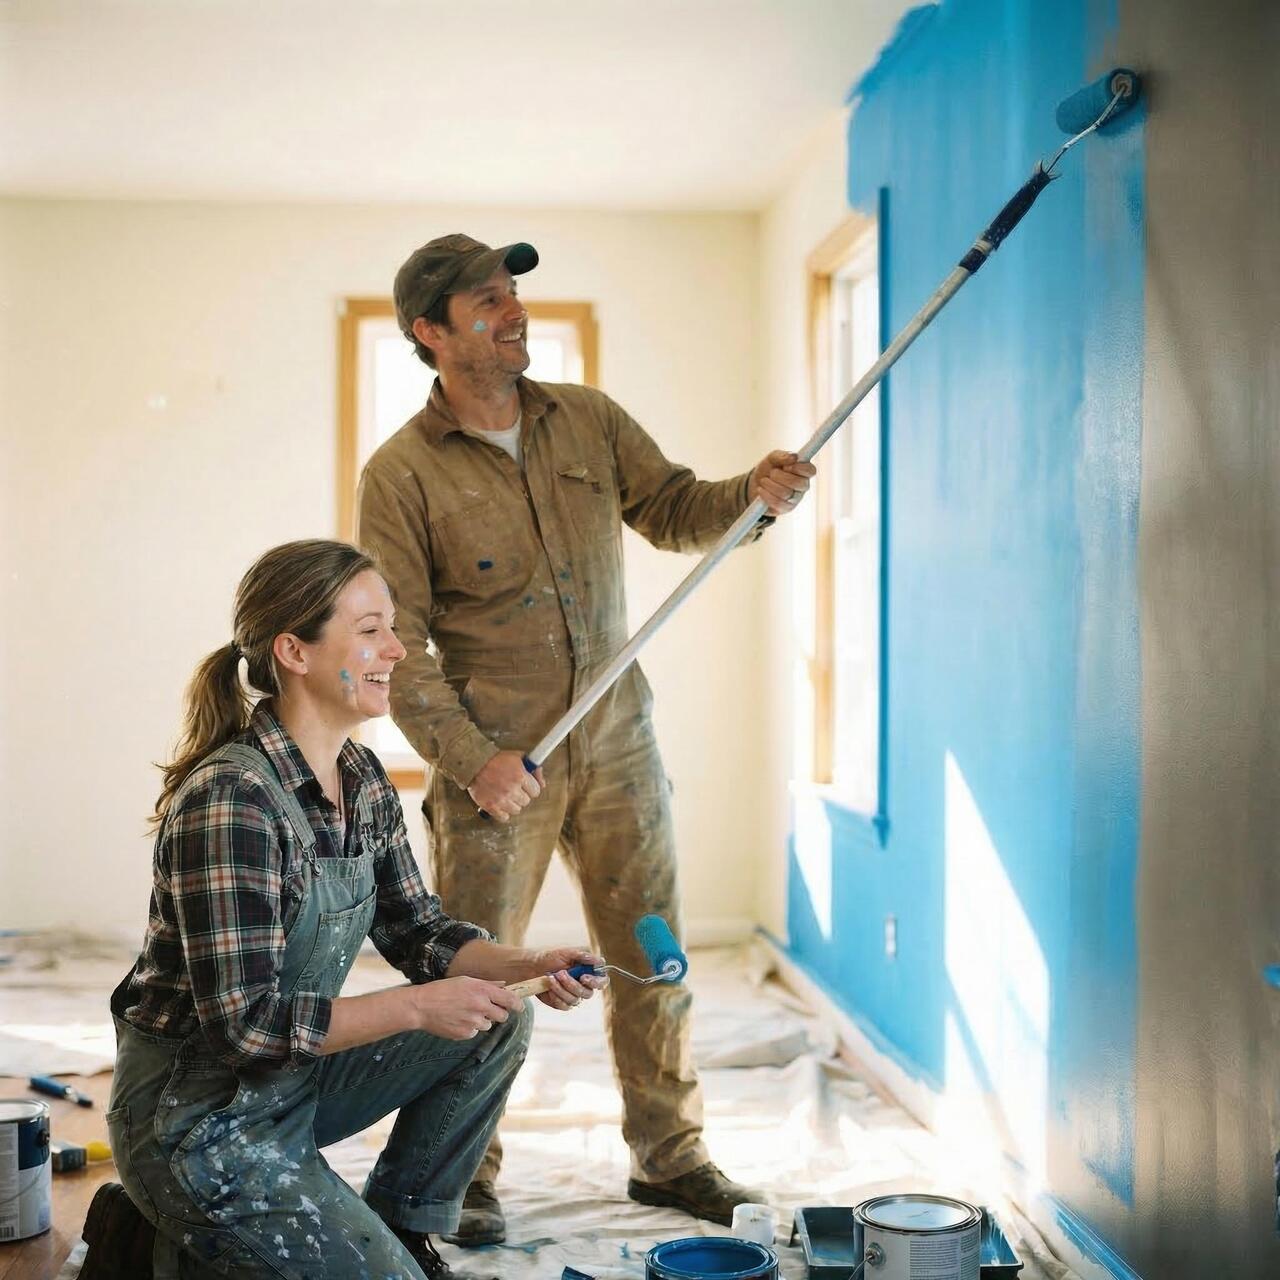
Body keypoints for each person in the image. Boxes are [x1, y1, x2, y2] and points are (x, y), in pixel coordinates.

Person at [355, 234, 815, 1242]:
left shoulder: (589, 421)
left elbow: (674, 508)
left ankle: (670, 1153)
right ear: (430, 331)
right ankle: (460, 1171)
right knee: (478, 978)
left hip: (616, 744)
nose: (513, 310)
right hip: (493, 771)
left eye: (513, 293)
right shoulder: (400, 472)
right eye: (486, 300)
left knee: (653, 957)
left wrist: (751, 493)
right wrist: (472, 757)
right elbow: (397, 643)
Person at [81, 539, 603, 1280]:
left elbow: (417, 930)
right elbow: (247, 1026)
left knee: (498, 1016)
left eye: (391, 627)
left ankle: (401, 1230)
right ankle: (159, 1219)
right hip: (195, 1122)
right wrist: (419, 1007)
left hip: (290, 1091)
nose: (396, 647)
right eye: (370, 630)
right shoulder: (234, 801)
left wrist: (529, 965)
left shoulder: (358, 775)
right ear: (294, 650)